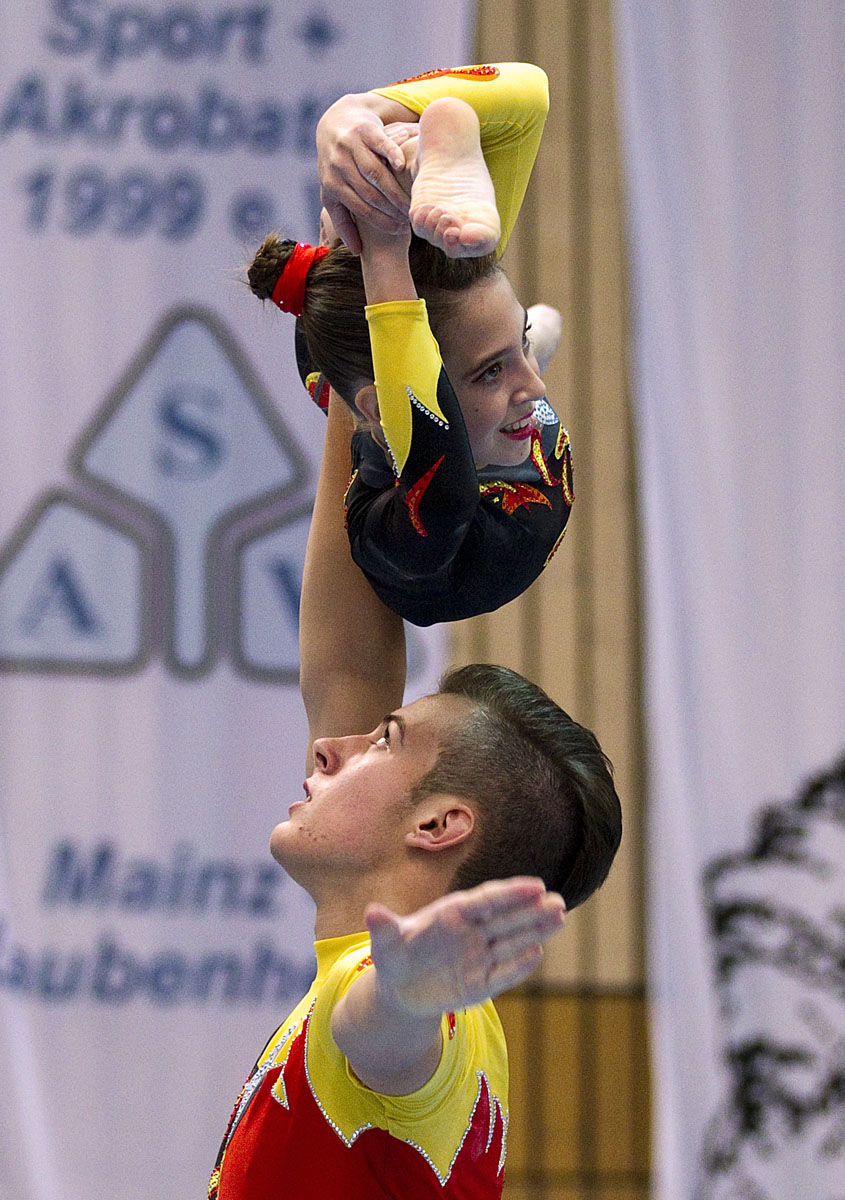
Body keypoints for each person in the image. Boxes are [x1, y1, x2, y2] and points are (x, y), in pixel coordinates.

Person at [207, 374, 622, 1198]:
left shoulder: (420, 1015)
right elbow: (351, 666)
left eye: (383, 740)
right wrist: (356, 373)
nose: (331, 748)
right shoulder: (391, 983)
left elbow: (385, 1036)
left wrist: (405, 995)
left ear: (439, 825)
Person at [248, 63, 575, 627]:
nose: (536, 386)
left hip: (456, 433)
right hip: (484, 481)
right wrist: (382, 250)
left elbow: (532, 93)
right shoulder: (419, 524)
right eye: (493, 371)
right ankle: (521, 334)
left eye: (510, 358)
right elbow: (529, 101)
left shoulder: (332, 367)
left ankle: (420, 173)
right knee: (445, 419)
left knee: (463, 274)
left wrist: (363, 113)